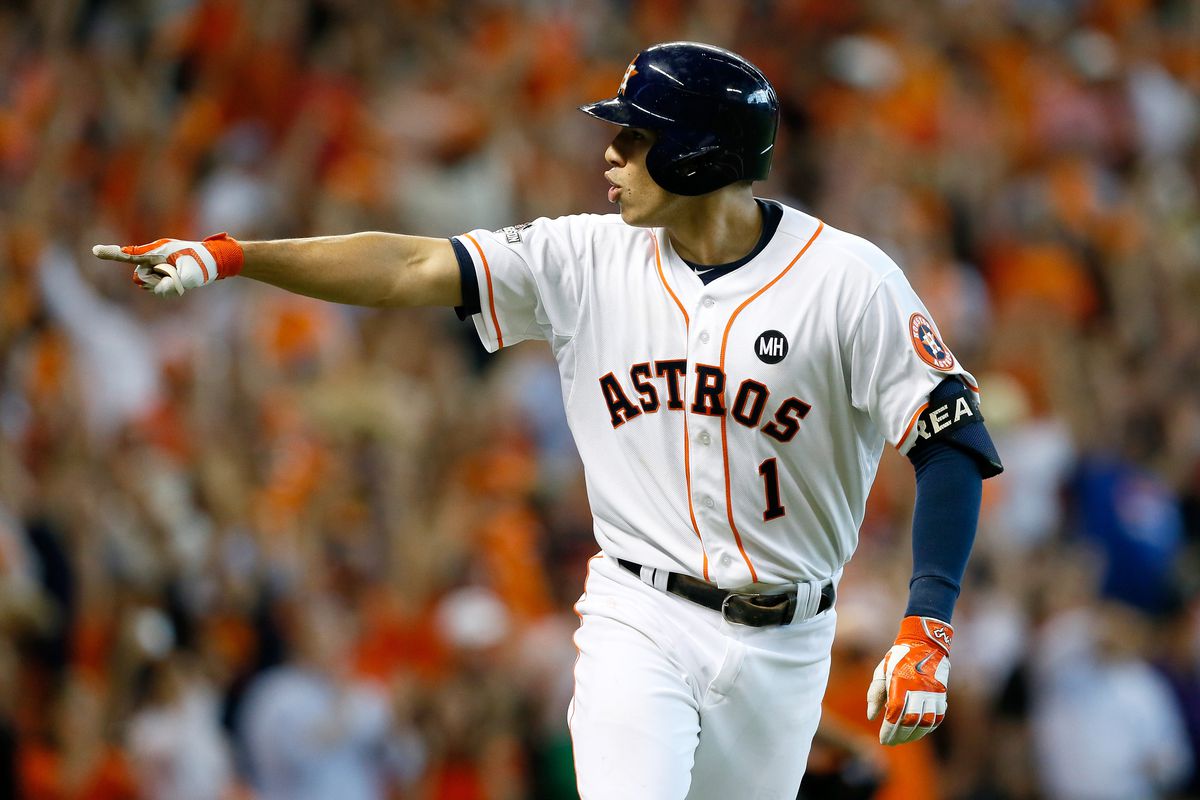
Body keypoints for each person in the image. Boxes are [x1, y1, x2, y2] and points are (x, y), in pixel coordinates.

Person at [94, 41, 1002, 800]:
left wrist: (929, 623)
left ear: (697, 155)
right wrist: (235, 255)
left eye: (636, 136)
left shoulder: (848, 280)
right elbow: (410, 266)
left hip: (790, 643)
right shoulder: (583, 258)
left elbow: (950, 440)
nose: (611, 153)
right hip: (639, 612)